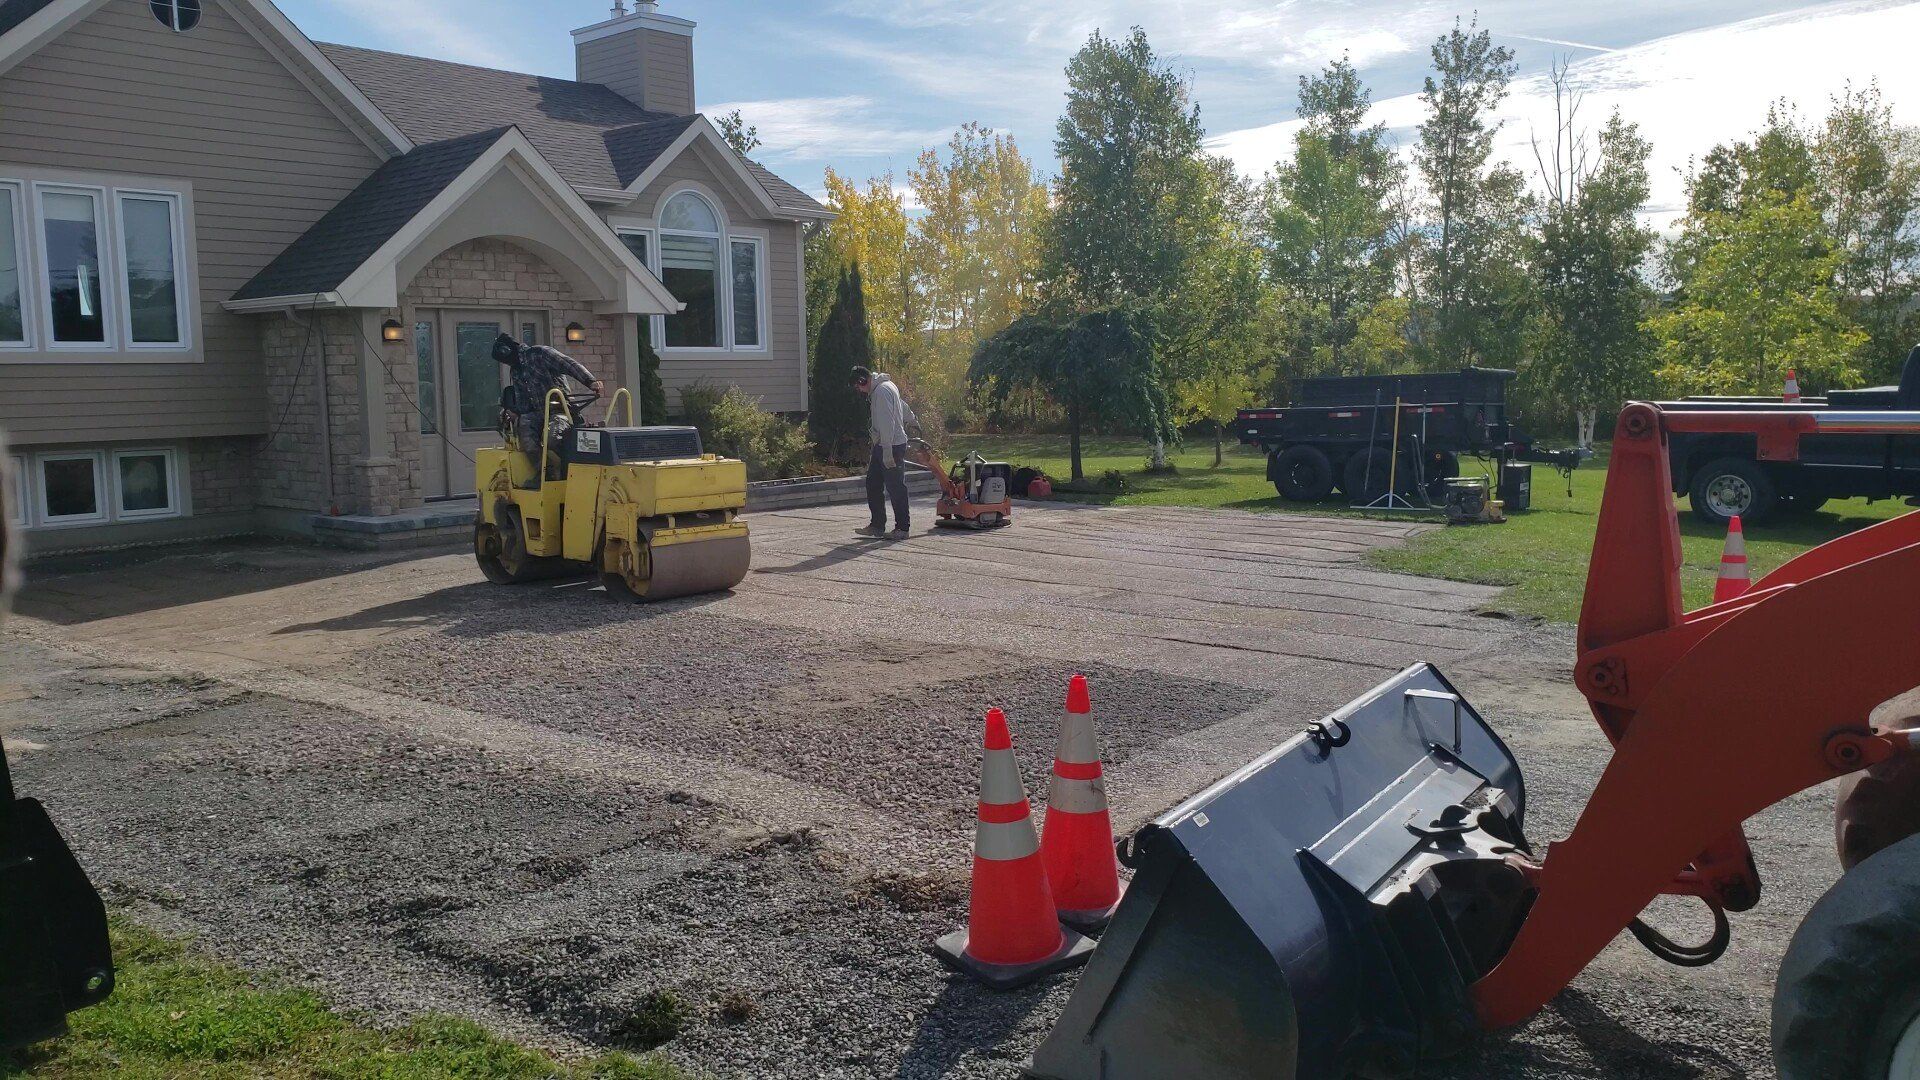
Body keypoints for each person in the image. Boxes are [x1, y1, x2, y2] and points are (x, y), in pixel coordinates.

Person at [494, 334, 602, 479]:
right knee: (525, 434)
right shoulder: (516, 371)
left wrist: (590, 381)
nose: (506, 363)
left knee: (553, 437)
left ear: (507, 350)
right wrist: (513, 413)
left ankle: (575, 471)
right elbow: (523, 402)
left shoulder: (540, 354)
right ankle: (546, 474)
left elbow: (568, 364)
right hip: (538, 413)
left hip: (562, 410)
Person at [852, 366, 917, 539]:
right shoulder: (887, 385)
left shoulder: (880, 392)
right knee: (873, 483)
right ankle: (877, 525)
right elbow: (902, 404)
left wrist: (887, 451)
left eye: (858, 386)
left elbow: (888, 423)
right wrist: (912, 419)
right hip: (884, 445)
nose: (859, 390)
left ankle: (902, 528)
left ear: (863, 381)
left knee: (896, 487)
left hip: (891, 446)